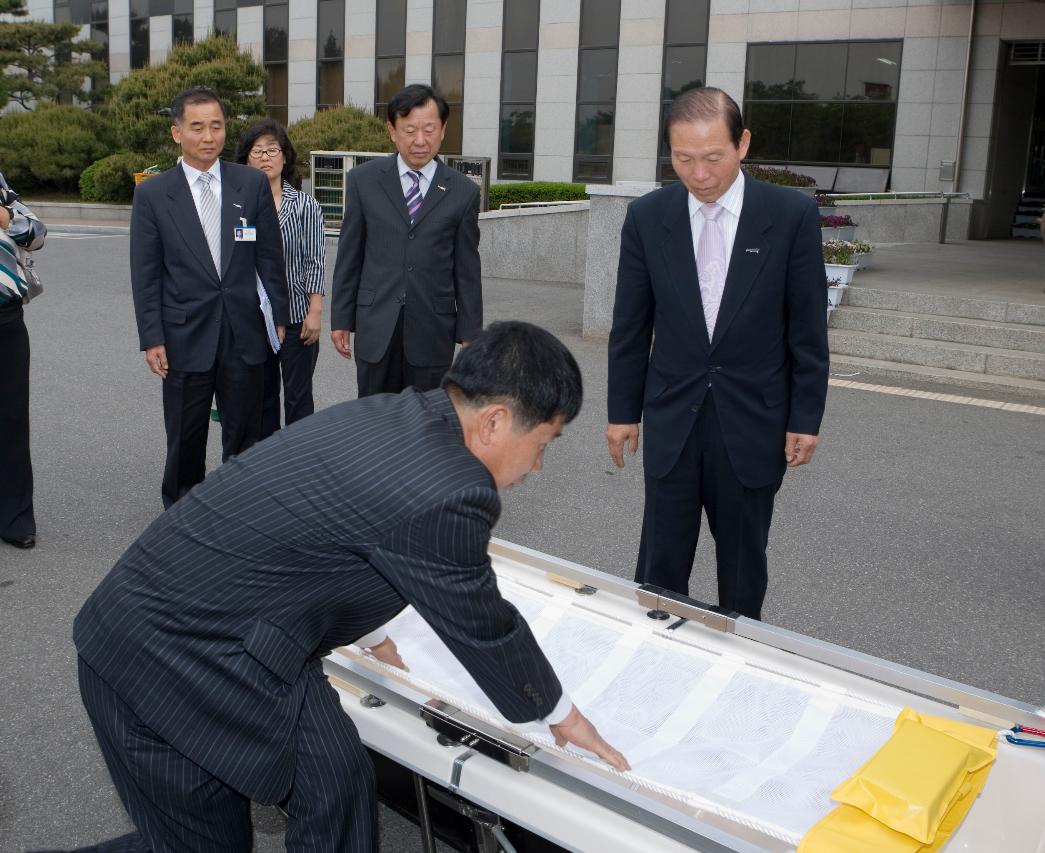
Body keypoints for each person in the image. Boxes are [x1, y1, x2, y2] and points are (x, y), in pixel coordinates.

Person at [69, 321, 628, 851]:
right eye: (544, 443)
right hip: (159, 657)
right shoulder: (451, 487)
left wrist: (374, 632)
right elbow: (484, 625)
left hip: (238, 627)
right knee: (201, 843)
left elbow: (341, 529)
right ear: (494, 422)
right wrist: (562, 716)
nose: (538, 467)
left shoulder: (398, 414)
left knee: (336, 779)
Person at [606, 87, 829, 621]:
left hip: (753, 418)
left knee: (743, 564)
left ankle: (741, 663)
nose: (699, 173)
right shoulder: (647, 216)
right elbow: (631, 327)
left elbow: (806, 329)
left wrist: (805, 417)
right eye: (683, 159)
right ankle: (653, 660)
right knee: (660, 562)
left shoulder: (789, 214)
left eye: (713, 157)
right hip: (671, 414)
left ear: (742, 143)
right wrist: (621, 413)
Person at [131, 87, 289, 509]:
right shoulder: (152, 195)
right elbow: (146, 274)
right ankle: (182, 517)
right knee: (185, 436)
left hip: (245, 331)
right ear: (176, 132)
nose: (208, 136)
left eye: (216, 126)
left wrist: (279, 315)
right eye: (197, 126)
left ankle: (240, 515)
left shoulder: (250, 184)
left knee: (246, 435)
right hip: (184, 335)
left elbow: (270, 257)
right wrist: (152, 336)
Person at [330, 83, 482, 398]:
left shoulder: (463, 192)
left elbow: (466, 269)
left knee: (426, 425)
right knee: (374, 422)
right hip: (376, 325)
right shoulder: (363, 181)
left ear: (442, 130)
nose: (420, 140)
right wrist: (341, 319)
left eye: (429, 129)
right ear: (392, 130)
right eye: (410, 130)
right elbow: (350, 257)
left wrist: (470, 333)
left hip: (432, 330)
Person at [234, 119, 327, 437]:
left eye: (272, 149)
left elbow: (315, 260)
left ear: (285, 157)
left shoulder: (305, 206)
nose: (265, 157)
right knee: (262, 397)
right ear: (246, 159)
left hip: (297, 317)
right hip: (254, 318)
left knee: (299, 399)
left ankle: (300, 466)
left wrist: (314, 312)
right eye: (257, 151)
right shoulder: (238, 207)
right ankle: (267, 464)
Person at [0, 174, 46, 550]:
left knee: (13, 418)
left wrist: (5, 218)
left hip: (7, 319)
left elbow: (38, 234)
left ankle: (15, 517)